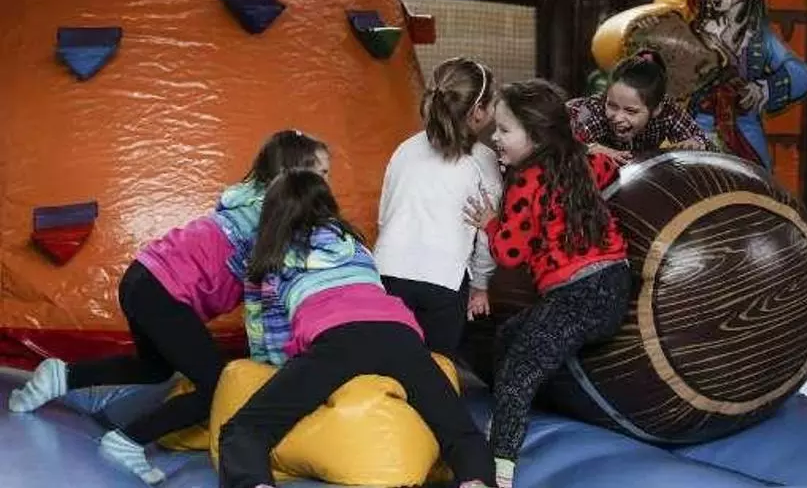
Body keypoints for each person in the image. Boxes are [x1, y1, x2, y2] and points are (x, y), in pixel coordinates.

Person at [8, 130, 330, 485]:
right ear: (295, 174)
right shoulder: (273, 215)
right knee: (216, 385)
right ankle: (128, 441)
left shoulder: (246, 198)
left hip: (142, 276)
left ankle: (62, 376)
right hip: (161, 289)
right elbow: (263, 300)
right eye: (321, 173)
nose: (326, 184)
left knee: (155, 368)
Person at [218, 169, 496, 488]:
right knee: (461, 432)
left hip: (337, 340)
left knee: (244, 429)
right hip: (400, 335)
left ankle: (255, 483)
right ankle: (476, 481)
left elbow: (270, 334)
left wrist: (286, 377)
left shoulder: (272, 258)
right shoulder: (355, 246)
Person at [464, 79, 631, 488]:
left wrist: (491, 222)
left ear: (537, 136)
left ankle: (499, 466)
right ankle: (512, 412)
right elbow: (610, 169)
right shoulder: (582, 161)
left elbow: (510, 253)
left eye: (505, 130)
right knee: (509, 334)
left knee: (518, 372)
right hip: (615, 285)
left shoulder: (526, 180)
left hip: (575, 297)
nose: (495, 137)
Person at [374, 56, 503, 357]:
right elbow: (487, 231)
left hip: (387, 270)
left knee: (388, 362)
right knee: (434, 366)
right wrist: (480, 284)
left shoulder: (405, 148)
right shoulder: (483, 160)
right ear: (478, 111)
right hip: (443, 279)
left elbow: (384, 215)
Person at [567, 50, 716, 164]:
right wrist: (591, 147)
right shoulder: (593, 109)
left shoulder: (668, 112)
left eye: (630, 111)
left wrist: (696, 144)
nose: (618, 118)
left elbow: (707, 146)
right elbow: (562, 130)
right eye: (612, 106)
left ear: (656, 109)